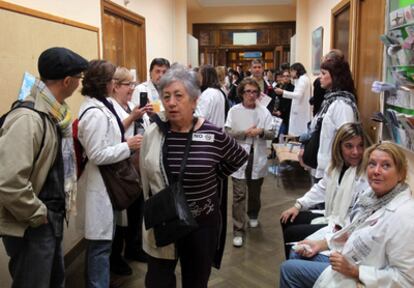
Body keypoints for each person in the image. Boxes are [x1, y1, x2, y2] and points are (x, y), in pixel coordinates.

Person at [140, 65, 248, 288]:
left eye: (179, 96)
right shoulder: (155, 131)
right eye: (166, 96)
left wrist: (214, 175)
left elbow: (239, 156)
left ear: (194, 100)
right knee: (157, 281)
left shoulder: (213, 133)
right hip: (165, 219)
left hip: (201, 222)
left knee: (196, 281)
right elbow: (144, 173)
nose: (171, 102)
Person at [0, 47, 88, 287]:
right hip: (32, 224)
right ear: (67, 81)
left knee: (53, 280)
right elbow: (9, 182)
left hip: (47, 220)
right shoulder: (29, 119)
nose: (80, 84)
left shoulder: (54, 115)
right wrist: (39, 214)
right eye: (79, 79)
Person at [280, 142, 414, 288]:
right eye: (372, 164)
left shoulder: (404, 216)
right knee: (296, 253)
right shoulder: (371, 197)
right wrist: (321, 244)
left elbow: (406, 280)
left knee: (288, 270)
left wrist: (356, 272)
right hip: (350, 257)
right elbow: (351, 232)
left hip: (362, 275)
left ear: (401, 173)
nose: (376, 171)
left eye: (386, 165)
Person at [77, 60, 143, 287]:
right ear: (104, 83)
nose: (115, 84)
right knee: (99, 247)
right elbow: (96, 154)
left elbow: (106, 142)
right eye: (113, 80)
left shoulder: (101, 105)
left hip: (107, 183)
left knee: (102, 243)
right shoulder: (95, 113)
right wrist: (128, 146)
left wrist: (124, 143)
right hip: (100, 185)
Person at [279, 123, 369, 259]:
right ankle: (297, 260)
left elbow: (359, 219)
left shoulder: (365, 175)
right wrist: (298, 205)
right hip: (332, 215)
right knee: (287, 219)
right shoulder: (336, 167)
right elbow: (321, 188)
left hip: (343, 226)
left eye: (360, 145)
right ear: (339, 147)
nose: (356, 152)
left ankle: (296, 263)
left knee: (292, 233)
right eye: (349, 146)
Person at [108, 67, 153, 275]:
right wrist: (133, 117)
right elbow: (113, 133)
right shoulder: (109, 107)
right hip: (121, 170)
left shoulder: (127, 105)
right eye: (129, 85)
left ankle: (133, 248)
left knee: (137, 211)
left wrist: (141, 115)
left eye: (133, 84)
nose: (132, 88)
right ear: (116, 86)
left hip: (135, 166)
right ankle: (116, 258)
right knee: (121, 217)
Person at [225, 78, 274, 247]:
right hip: (239, 155)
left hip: (257, 156)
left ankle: (253, 214)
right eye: (248, 91)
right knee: (238, 194)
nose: (252, 95)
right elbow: (228, 132)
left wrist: (260, 132)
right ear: (241, 93)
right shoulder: (234, 111)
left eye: (255, 92)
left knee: (254, 191)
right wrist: (244, 133)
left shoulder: (264, 112)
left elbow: (272, 133)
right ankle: (238, 230)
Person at [300, 50, 359, 180]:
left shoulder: (342, 105)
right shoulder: (330, 100)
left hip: (333, 170)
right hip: (324, 167)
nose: (320, 77)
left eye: (323, 73)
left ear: (335, 76)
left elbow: (347, 139)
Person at [275, 62, 311, 137]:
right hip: (300, 110)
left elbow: (298, 95)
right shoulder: (302, 79)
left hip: (300, 111)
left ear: (296, 71)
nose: (291, 75)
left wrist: (283, 92)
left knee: (298, 133)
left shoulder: (302, 80)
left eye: (291, 72)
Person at [274, 70, 294, 137]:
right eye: (284, 76)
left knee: (284, 132)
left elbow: (289, 101)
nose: (285, 78)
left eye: (287, 76)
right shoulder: (279, 86)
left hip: (286, 113)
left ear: (290, 77)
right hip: (278, 113)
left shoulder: (292, 87)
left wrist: (281, 111)